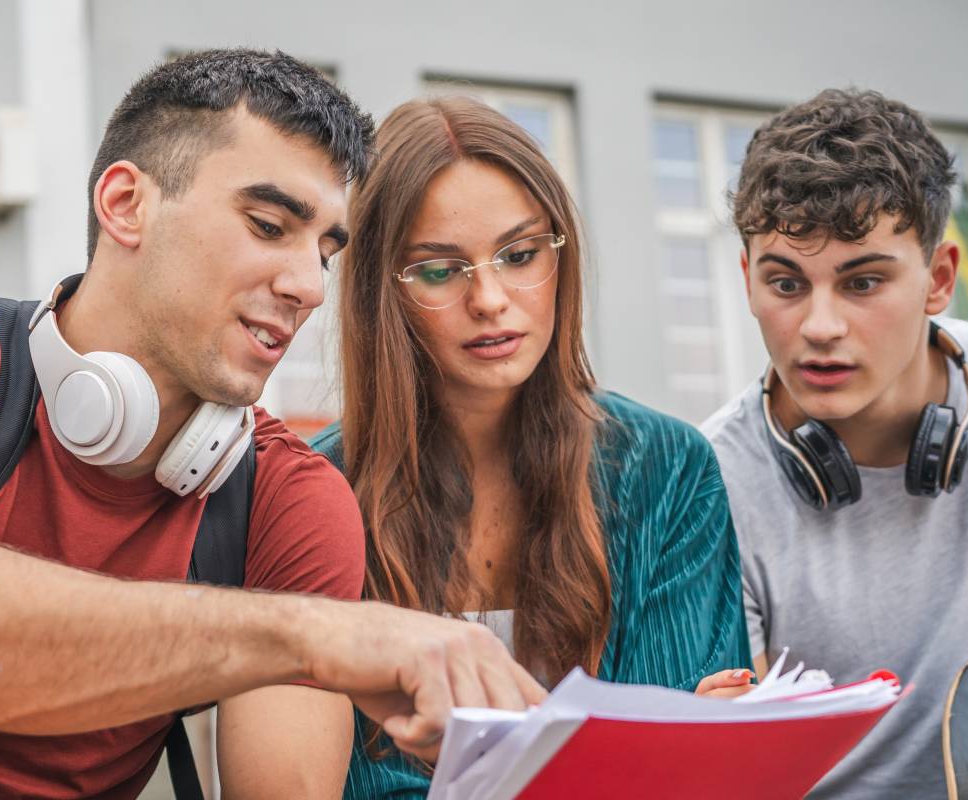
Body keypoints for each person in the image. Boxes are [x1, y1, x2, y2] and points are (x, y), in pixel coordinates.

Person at [0, 49, 544, 799]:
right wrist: (316, 634)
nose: (307, 285)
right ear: (125, 204)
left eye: (326, 252)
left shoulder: (289, 500)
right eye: (269, 226)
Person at [306, 94, 751, 799]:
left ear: (559, 256)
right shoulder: (318, 492)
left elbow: (702, 763)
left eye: (519, 255)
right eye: (439, 269)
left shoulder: (666, 469)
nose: (490, 298)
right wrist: (624, 758)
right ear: (381, 292)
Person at [701, 87, 968, 798]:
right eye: (786, 282)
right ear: (747, 280)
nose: (820, 326)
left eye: (862, 281)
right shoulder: (708, 483)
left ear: (938, 280)